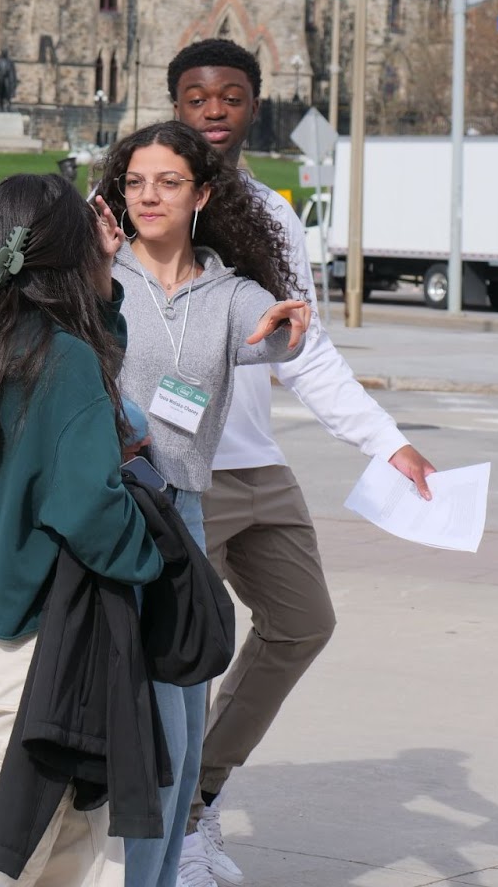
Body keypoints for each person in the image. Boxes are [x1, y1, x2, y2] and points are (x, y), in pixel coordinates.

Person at [166, 39, 438, 887]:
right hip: (172, 469)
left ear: (255, 106)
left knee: (303, 623)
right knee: (178, 654)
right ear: (175, 106)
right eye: (197, 96)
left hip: (254, 465)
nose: (214, 110)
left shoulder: (274, 216)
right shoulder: (143, 198)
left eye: (232, 95)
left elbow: (303, 351)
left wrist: (386, 440)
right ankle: (164, 826)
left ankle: (195, 799)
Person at [0, 172, 162, 887]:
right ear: (72, 253)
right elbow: (89, 507)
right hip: (34, 644)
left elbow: (77, 383)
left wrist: (99, 281)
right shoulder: (63, 358)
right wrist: (156, 557)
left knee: (73, 846)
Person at [94, 122, 309, 887]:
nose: (149, 196)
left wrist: (287, 330)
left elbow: (272, 336)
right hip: (97, 514)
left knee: (179, 729)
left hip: (177, 517)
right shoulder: (100, 272)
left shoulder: (229, 293)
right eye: (136, 182)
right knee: (100, 716)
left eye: (169, 182)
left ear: (202, 194)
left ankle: (151, 876)